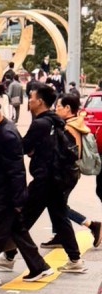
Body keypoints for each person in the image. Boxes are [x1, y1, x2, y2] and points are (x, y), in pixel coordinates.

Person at [0, 95, 50, 287]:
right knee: (17, 231)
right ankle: (39, 267)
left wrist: (18, 201)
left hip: (5, 195)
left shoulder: (6, 134)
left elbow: (16, 171)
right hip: (1, 192)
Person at [15, 82, 84, 273]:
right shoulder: (56, 120)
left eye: (31, 98)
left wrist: (32, 151)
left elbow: (23, 146)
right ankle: (75, 260)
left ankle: (11, 256)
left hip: (44, 178)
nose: (29, 101)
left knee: (22, 219)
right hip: (57, 177)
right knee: (60, 217)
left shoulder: (40, 123)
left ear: (40, 102)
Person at [45, 92, 102, 249]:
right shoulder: (77, 122)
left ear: (68, 108)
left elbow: (72, 152)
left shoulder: (70, 127)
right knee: (57, 203)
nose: (55, 109)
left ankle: (92, 225)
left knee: (57, 205)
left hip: (67, 173)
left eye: (58, 106)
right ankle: (59, 235)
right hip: (71, 172)